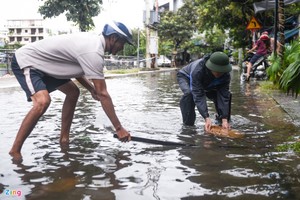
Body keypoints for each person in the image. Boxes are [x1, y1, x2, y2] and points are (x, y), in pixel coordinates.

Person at [9, 21, 132, 161]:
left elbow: (75, 70)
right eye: (123, 43)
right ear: (113, 38)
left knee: (73, 92)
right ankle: (15, 151)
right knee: (42, 102)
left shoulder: (92, 44)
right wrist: (119, 128)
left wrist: (91, 89)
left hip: (48, 66)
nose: (123, 47)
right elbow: (103, 94)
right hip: (28, 61)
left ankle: (64, 139)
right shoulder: (93, 50)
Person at [177, 51, 232, 132]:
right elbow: (198, 95)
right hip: (186, 77)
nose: (219, 73)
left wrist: (225, 119)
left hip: (208, 83)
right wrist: (206, 118)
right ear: (210, 67)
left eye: (221, 71)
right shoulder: (198, 70)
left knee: (227, 95)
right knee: (189, 94)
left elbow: (223, 96)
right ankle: (188, 125)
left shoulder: (226, 76)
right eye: (216, 70)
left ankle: (222, 121)